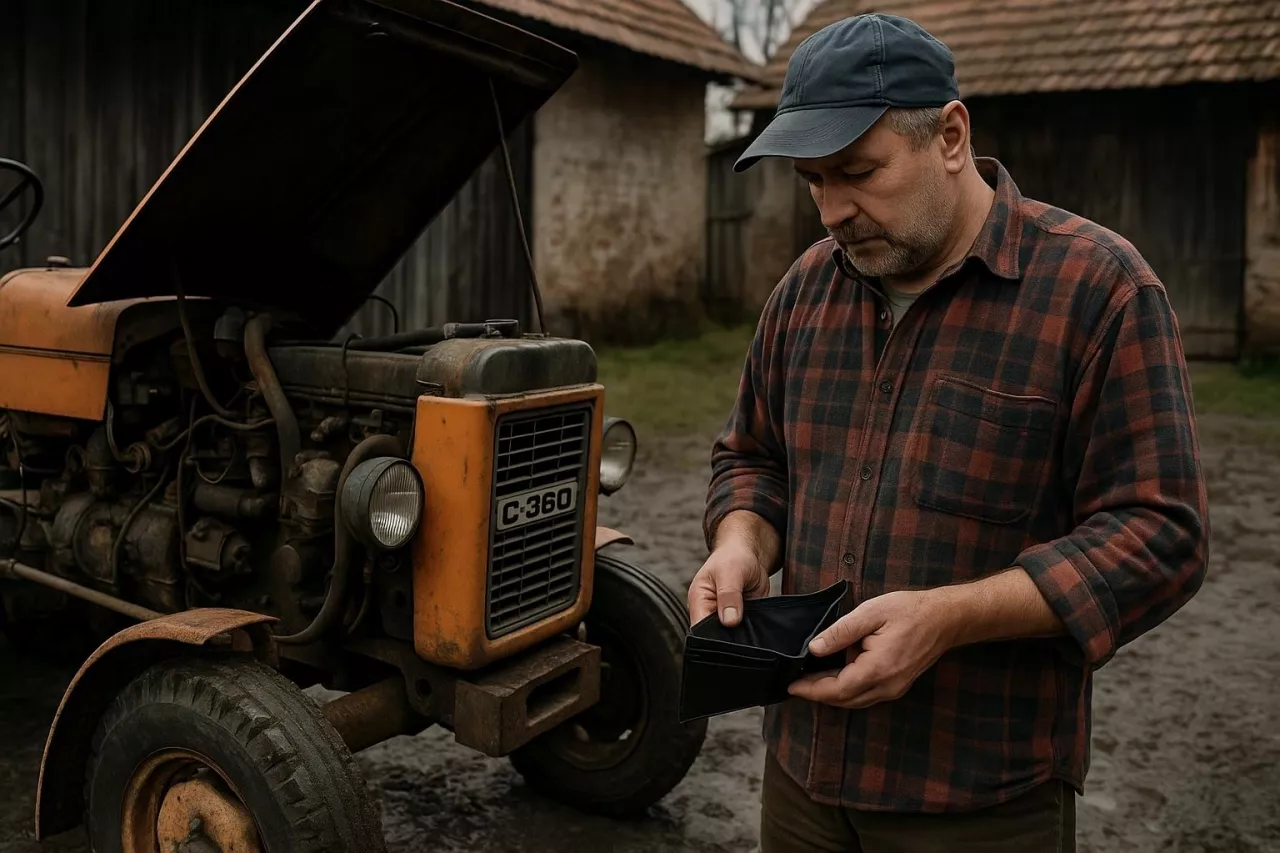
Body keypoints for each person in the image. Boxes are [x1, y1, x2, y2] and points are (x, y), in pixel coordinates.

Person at [688, 12, 1209, 853]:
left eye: (858, 171)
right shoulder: (804, 290)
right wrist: (742, 541)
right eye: (812, 181)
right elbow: (752, 455)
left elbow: (1161, 533)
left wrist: (950, 617)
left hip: (979, 797)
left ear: (952, 136)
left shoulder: (1100, 291)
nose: (832, 211)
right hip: (802, 776)